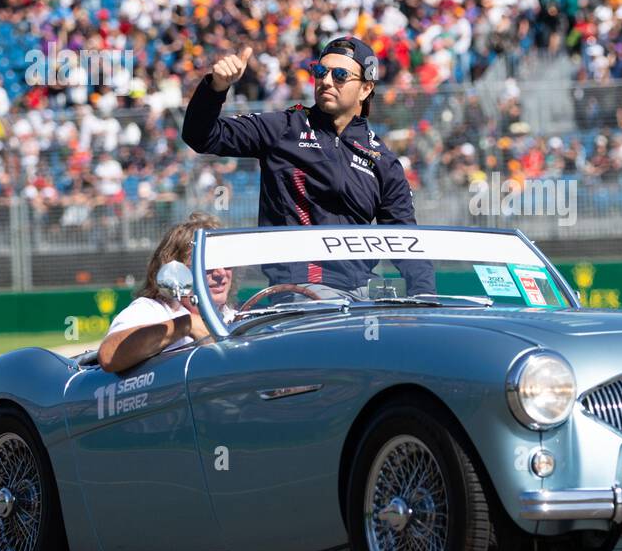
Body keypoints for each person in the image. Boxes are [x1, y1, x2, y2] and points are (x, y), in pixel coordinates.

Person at [181, 34, 434, 296]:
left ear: (366, 88)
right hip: (300, 292)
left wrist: (427, 302)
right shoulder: (285, 127)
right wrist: (215, 89)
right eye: (320, 71)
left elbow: (406, 241)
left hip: (362, 294)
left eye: (339, 75)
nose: (325, 81)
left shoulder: (383, 160)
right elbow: (200, 136)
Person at [98, 212, 234, 374]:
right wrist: (186, 325)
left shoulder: (235, 314)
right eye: (206, 264)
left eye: (226, 262)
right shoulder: (153, 310)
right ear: (176, 271)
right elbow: (109, 356)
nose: (221, 273)